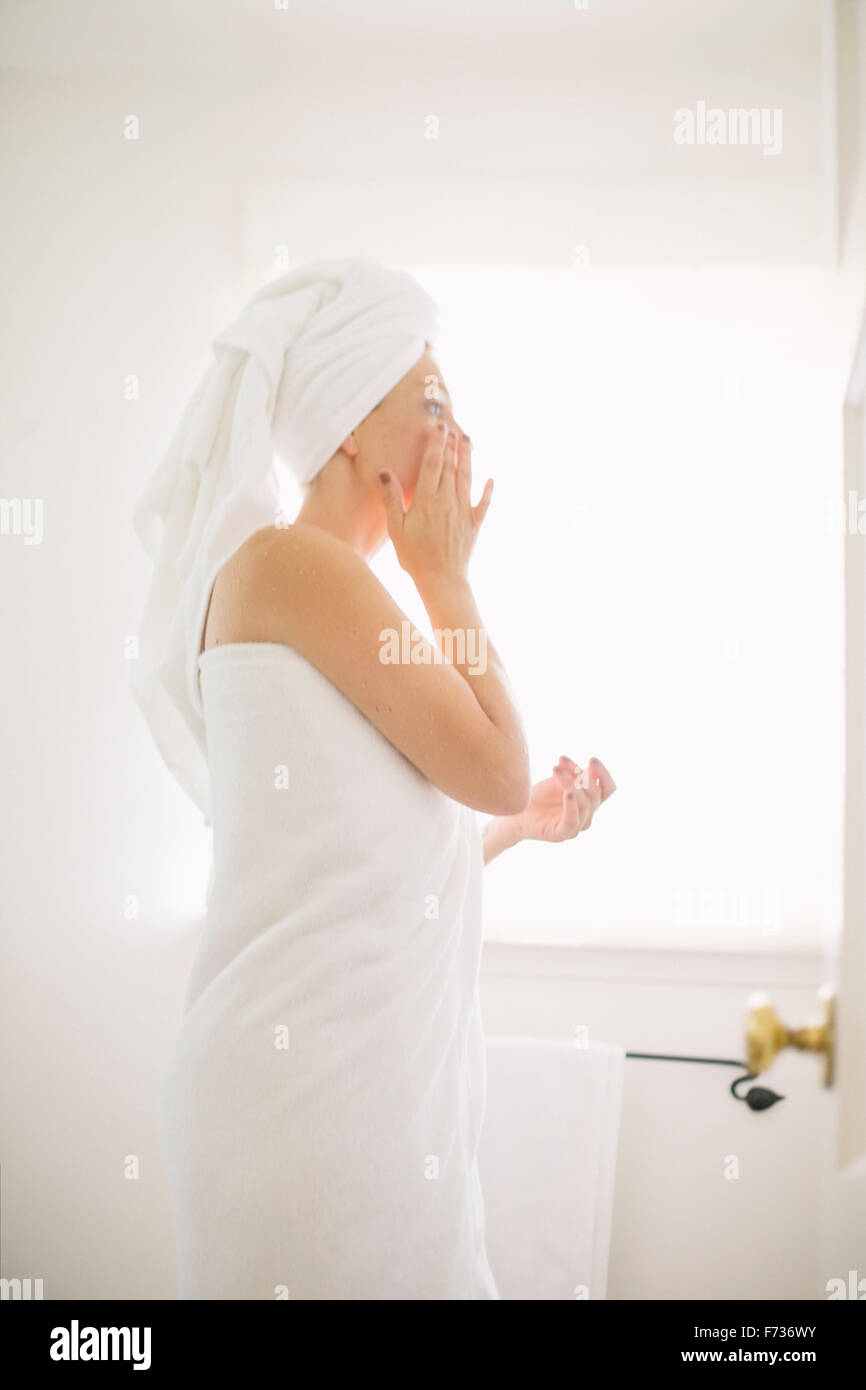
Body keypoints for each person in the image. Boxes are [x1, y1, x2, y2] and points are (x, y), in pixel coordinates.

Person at [132, 257, 615, 1300]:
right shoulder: (295, 566)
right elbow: (493, 764)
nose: (455, 431)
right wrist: (444, 576)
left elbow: (353, 856)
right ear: (350, 423)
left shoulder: (318, 591)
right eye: (429, 399)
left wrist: (511, 829)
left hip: (332, 1105)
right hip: (308, 1114)